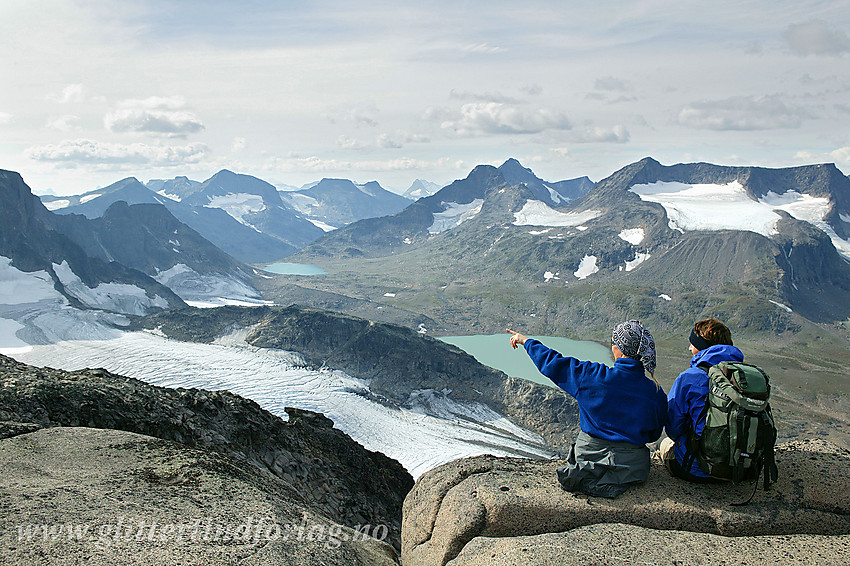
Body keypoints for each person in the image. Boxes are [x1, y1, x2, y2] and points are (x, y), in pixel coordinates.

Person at [507, 320, 667, 498]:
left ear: (620, 350)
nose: (612, 346)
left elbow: (553, 364)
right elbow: (653, 435)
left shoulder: (593, 376)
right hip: (632, 468)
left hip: (589, 459)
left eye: (614, 343)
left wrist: (526, 341)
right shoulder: (656, 393)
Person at [659, 318, 743, 483]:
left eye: (693, 344)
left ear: (703, 348)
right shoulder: (744, 376)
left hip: (698, 469)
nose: (690, 348)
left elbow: (673, 428)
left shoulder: (690, 378)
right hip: (741, 469)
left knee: (664, 443)